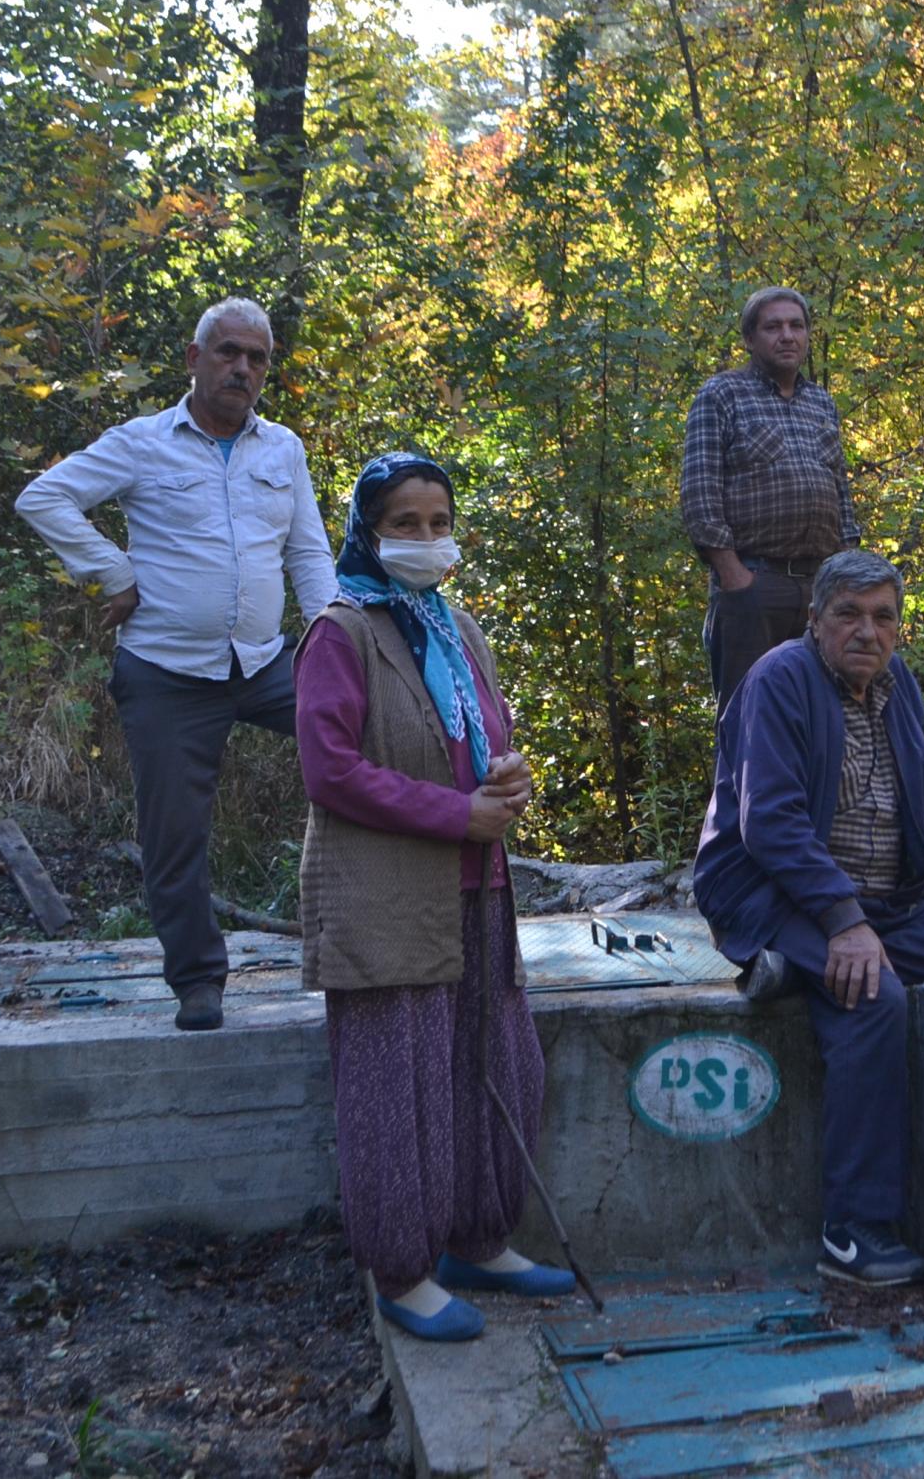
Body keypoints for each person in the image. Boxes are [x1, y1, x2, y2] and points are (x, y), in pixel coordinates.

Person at [292, 452, 574, 1343]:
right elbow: (329, 770)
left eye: (439, 522)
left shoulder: (453, 624)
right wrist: (460, 812)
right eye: (404, 523)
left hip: (474, 889)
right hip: (385, 895)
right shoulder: (342, 632)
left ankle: (478, 1237)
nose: (425, 538)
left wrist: (511, 779)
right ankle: (403, 1270)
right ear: (367, 533)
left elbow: (485, 734)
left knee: (495, 1062)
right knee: (396, 1087)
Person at [692, 550, 924, 1287]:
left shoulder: (896, 685)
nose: (866, 631)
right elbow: (770, 822)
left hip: (881, 908)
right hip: (771, 893)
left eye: (883, 616)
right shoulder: (779, 679)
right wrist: (842, 920)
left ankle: (800, 968)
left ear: (899, 630)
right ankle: (855, 1230)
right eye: (848, 613)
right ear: (815, 621)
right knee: (875, 997)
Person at [15, 297, 337, 1031]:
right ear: (194, 360)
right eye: (228, 352)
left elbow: (307, 551)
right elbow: (45, 496)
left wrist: (331, 641)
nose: (242, 368)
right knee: (174, 831)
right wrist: (112, 569)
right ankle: (198, 980)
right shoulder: (141, 443)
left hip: (264, 663)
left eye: (256, 358)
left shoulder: (281, 448)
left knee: (371, 733)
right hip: (166, 672)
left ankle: (376, 932)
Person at [679, 286, 861, 701]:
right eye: (773, 326)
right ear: (749, 339)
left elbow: (841, 492)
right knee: (748, 714)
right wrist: (736, 577)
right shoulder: (721, 395)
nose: (787, 336)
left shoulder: (821, 403)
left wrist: (847, 574)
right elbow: (699, 492)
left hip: (821, 587)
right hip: (754, 583)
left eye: (797, 325)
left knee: (820, 711)